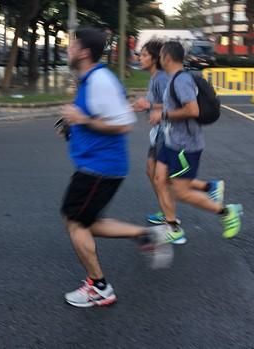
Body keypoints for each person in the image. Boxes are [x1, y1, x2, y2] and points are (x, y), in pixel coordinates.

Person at [59, 27, 172, 308]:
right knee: (86, 222)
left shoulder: (100, 80)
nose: (68, 49)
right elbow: (97, 115)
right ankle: (146, 235)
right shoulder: (88, 79)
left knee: (75, 221)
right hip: (94, 164)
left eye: (72, 45)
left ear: (84, 52)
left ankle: (99, 287)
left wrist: (83, 120)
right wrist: (73, 126)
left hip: (100, 167)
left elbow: (123, 123)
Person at [133, 40, 224, 242]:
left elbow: (190, 110)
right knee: (157, 177)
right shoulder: (167, 78)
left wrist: (156, 111)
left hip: (181, 141)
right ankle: (171, 222)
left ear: (163, 58)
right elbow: (166, 105)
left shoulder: (177, 79)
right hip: (169, 137)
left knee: (178, 188)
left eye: (145, 54)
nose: (140, 57)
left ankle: (220, 207)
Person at [151, 41, 242, 243]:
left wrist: (163, 115)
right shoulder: (174, 79)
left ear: (166, 57)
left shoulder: (182, 80)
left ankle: (227, 212)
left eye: (161, 56)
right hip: (170, 141)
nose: (159, 59)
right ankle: (173, 227)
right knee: (160, 180)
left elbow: (193, 110)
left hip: (185, 145)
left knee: (182, 192)